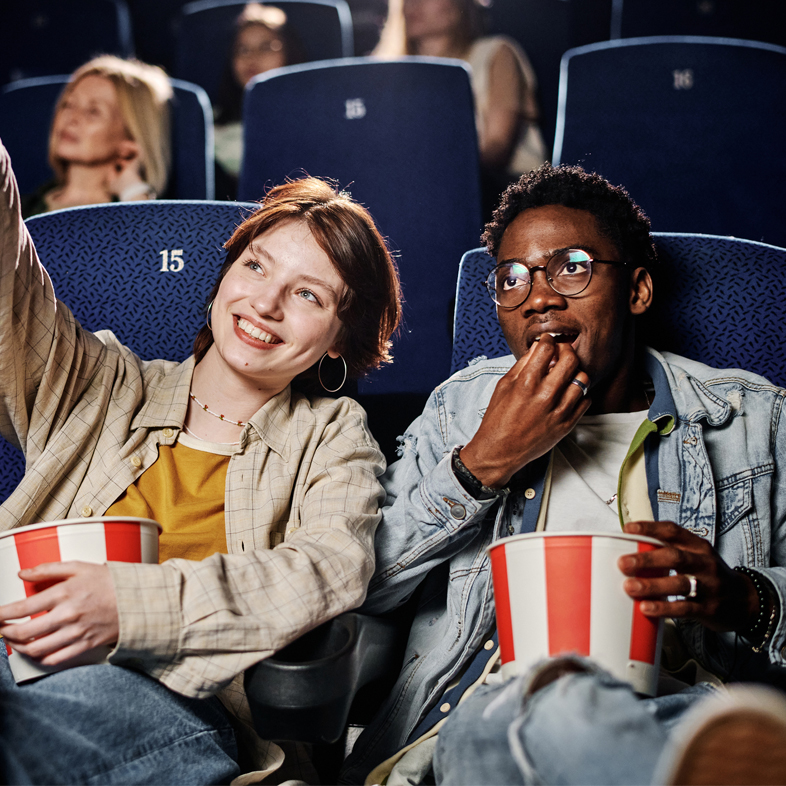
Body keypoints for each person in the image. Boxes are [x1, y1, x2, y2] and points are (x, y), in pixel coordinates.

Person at [340, 163, 786, 785]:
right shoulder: (460, 408)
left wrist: (746, 599)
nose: (539, 298)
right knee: (535, 701)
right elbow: (358, 584)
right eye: (512, 279)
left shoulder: (752, 419)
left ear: (637, 291)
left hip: (678, 712)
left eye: (571, 267)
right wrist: (481, 464)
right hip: (480, 721)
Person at [0, 138, 402, 784]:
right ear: (224, 277)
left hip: (176, 704)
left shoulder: (331, 434)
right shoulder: (100, 385)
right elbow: (8, 283)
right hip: (14, 662)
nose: (266, 304)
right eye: (256, 267)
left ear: (338, 342)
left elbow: (329, 568)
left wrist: (129, 606)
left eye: (308, 296)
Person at [374, 0, 547, 218]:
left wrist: (434, 169)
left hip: (500, 189)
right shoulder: (387, 72)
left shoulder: (495, 52)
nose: (413, 4)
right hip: (422, 189)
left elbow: (498, 147)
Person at [21, 56, 172, 219]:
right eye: (68, 104)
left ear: (131, 137)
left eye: (93, 112)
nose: (72, 118)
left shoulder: (141, 207)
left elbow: (151, 234)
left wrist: (132, 191)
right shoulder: (18, 208)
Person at [213, 3, 304, 199]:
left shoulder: (311, 117)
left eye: (266, 47)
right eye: (243, 49)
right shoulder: (209, 123)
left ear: (289, 52)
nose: (252, 57)